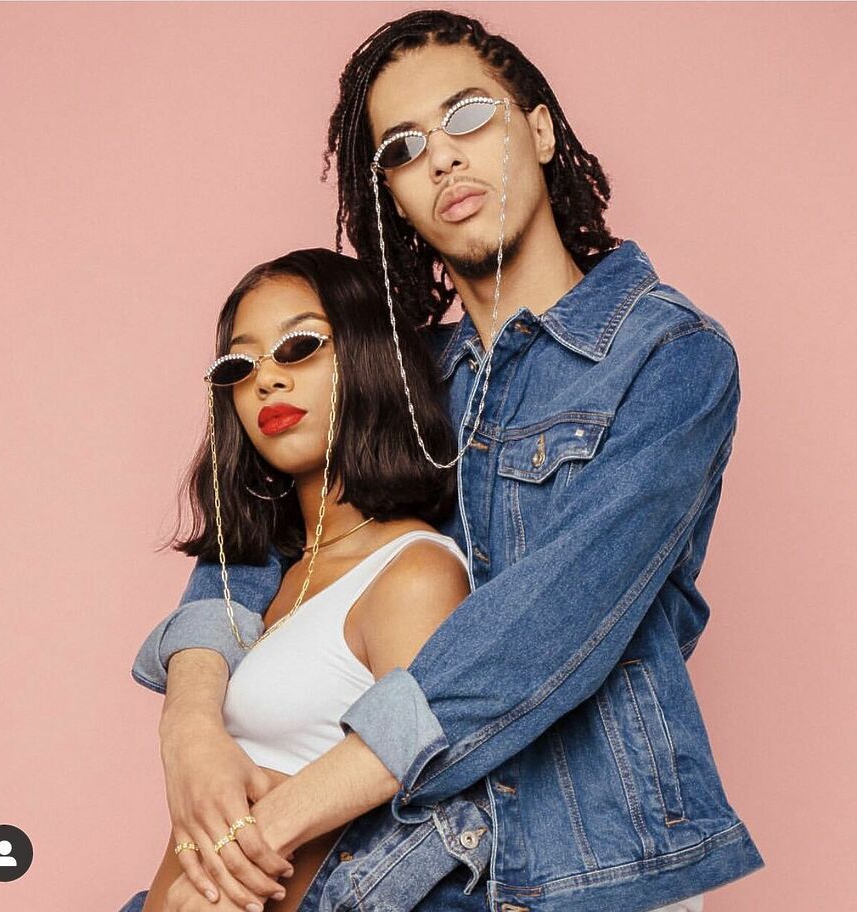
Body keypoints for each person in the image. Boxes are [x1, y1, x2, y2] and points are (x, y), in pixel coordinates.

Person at [129, 10, 765, 912]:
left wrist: (263, 832)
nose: (441, 159)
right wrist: (190, 724)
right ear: (392, 194)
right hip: (421, 855)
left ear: (539, 130)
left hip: (594, 859)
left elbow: (548, 624)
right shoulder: (408, 374)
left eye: (467, 116)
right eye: (403, 147)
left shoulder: (666, 357)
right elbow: (271, 530)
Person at [123, 248, 478, 912]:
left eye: (300, 347)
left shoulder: (413, 573)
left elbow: (438, 809)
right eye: (240, 365)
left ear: (369, 355)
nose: (266, 380)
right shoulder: (275, 577)